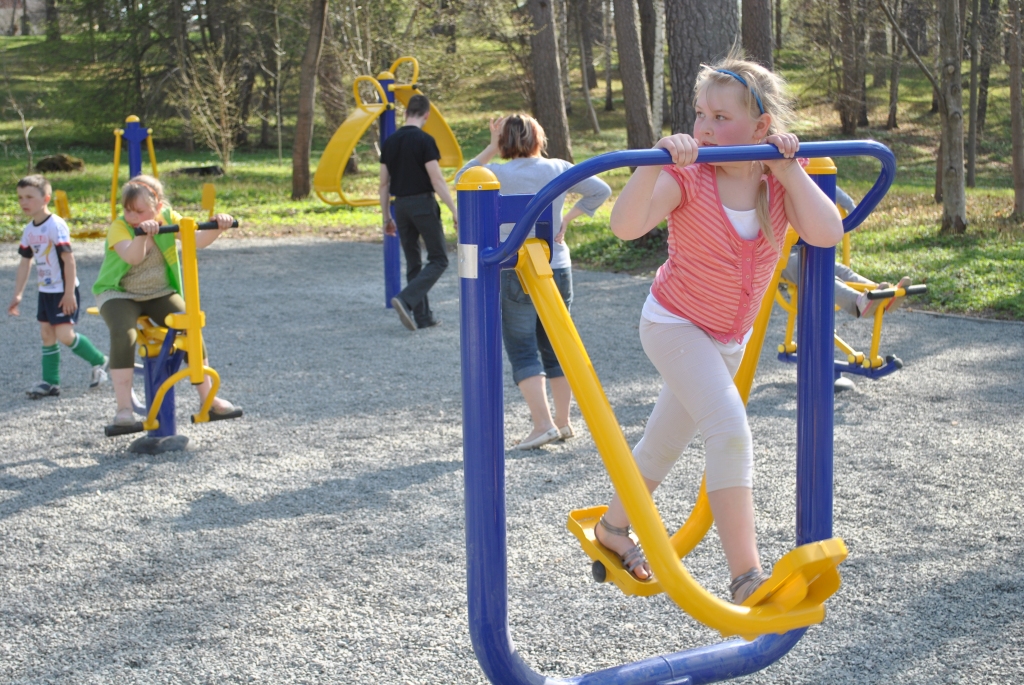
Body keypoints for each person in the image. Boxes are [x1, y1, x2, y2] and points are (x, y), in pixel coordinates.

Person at [596, 56, 844, 603]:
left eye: (720, 117)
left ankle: (612, 530)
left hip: (725, 338)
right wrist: (653, 163)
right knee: (729, 430)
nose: (705, 128)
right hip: (673, 322)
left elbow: (826, 233)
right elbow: (625, 225)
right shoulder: (689, 175)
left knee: (662, 444)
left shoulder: (776, 181)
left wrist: (790, 169)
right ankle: (745, 576)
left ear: (762, 127)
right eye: (699, 114)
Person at [457, 114, 611, 450]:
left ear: (505, 141)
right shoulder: (558, 168)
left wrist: (490, 147)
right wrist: (567, 219)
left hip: (515, 269)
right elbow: (602, 190)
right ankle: (564, 421)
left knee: (522, 346)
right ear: (538, 137)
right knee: (556, 343)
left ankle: (542, 424)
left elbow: (460, 179)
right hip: (556, 264)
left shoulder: (494, 172)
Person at [92, 175, 240, 428]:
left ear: (158, 207)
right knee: (123, 333)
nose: (132, 217)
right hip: (118, 293)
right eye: (128, 210)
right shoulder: (120, 227)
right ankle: (124, 409)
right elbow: (133, 257)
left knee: (191, 325)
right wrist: (142, 234)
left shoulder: (169, 217)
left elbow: (198, 241)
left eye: (139, 211)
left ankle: (208, 400)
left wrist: (218, 226)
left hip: (159, 292)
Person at [7, 175, 109, 399]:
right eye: (20, 198)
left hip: (63, 291)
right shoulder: (28, 230)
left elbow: (69, 260)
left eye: (30, 197)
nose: (24, 202)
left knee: (64, 334)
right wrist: (18, 293)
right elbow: (25, 262)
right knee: (47, 335)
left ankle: (100, 361)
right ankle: (51, 383)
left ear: (46, 198)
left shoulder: (55, 225)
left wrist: (69, 292)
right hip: (46, 291)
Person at [379, 94, 458, 331]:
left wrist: (386, 217)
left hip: (400, 206)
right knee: (439, 258)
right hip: (422, 204)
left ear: (405, 113)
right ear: (427, 114)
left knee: (413, 261)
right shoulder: (425, 140)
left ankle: (424, 318)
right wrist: (454, 209)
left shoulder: (390, 142)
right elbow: (437, 180)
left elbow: (383, 184)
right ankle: (405, 299)